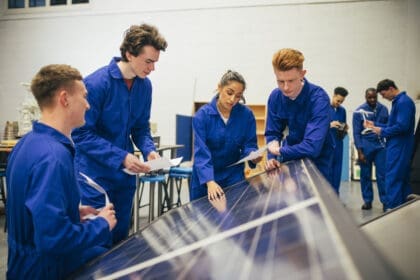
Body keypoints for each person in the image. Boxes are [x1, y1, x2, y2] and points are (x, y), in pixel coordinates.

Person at [6, 64, 117, 279]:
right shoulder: (53, 157)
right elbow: (53, 239)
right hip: (44, 271)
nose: (87, 105)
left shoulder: (27, 143)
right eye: (84, 97)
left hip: (21, 266)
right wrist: (102, 225)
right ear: (64, 99)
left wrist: (71, 213)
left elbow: (31, 213)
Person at [72, 23, 167, 244]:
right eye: (148, 61)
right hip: (94, 177)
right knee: (96, 242)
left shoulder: (145, 86)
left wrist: (149, 150)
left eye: (155, 62)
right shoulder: (95, 84)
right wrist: (121, 156)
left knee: (119, 241)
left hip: (124, 179)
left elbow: (141, 127)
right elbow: (82, 134)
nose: (152, 68)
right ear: (129, 54)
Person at [265, 48, 334, 186]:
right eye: (280, 81)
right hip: (291, 157)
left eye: (291, 80)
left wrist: (280, 151)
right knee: (291, 199)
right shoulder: (275, 97)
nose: (285, 87)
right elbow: (273, 132)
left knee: (320, 200)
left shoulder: (318, 99)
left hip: (319, 160)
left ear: (302, 74)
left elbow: (312, 147)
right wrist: (272, 158)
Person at [191, 70, 261, 200]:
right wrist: (209, 181)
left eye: (238, 96)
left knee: (238, 215)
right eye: (229, 92)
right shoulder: (202, 116)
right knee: (204, 218)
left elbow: (250, 144)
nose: (232, 99)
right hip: (206, 178)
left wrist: (253, 156)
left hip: (233, 177)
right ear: (219, 87)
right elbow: (201, 152)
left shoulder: (246, 115)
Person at [365, 79, 416, 210]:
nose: (383, 97)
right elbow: (392, 125)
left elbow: (402, 126)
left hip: (400, 146)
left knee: (392, 178)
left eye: (383, 94)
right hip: (397, 145)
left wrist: (382, 131)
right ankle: (404, 208)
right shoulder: (398, 102)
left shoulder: (404, 103)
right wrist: (376, 126)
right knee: (401, 178)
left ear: (391, 89)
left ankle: (393, 209)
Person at [352, 88, 388, 210]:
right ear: (365, 97)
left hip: (380, 147)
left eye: (374, 97)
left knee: (382, 175)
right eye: (369, 98)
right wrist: (360, 151)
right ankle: (367, 201)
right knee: (365, 175)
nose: (372, 100)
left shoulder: (384, 109)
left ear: (377, 97)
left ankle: (385, 201)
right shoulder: (358, 112)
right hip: (365, 146)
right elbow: (356, 133)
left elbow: (388, 127)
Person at [329, 86, 349, 194]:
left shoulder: (342, 111)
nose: (339, 103)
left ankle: (335, 197)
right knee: (327, 171)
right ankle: (326, 198)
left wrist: (345, 128)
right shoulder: (323, 108)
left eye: (341, 102)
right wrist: (329, 125)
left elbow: (342, 128)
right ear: (333, 96)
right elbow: (316, 126)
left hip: (338, 144)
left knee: (337, 172)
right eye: (337, 100)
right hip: (327, 145)